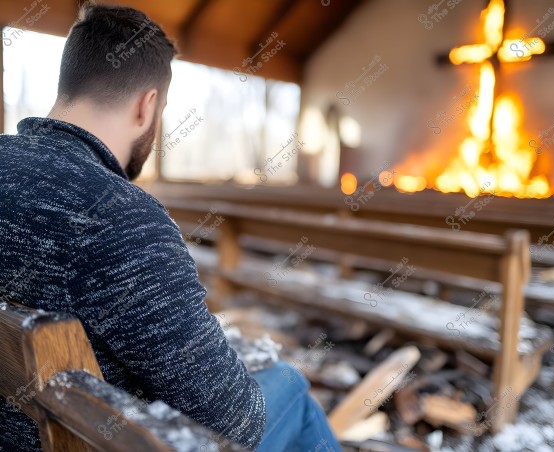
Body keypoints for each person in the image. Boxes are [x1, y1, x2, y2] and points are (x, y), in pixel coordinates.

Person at [0, 2, 340, 451]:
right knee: (289, 387)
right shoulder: (119, 216)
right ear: (148, 106)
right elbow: (233, 422)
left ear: (66, 86)